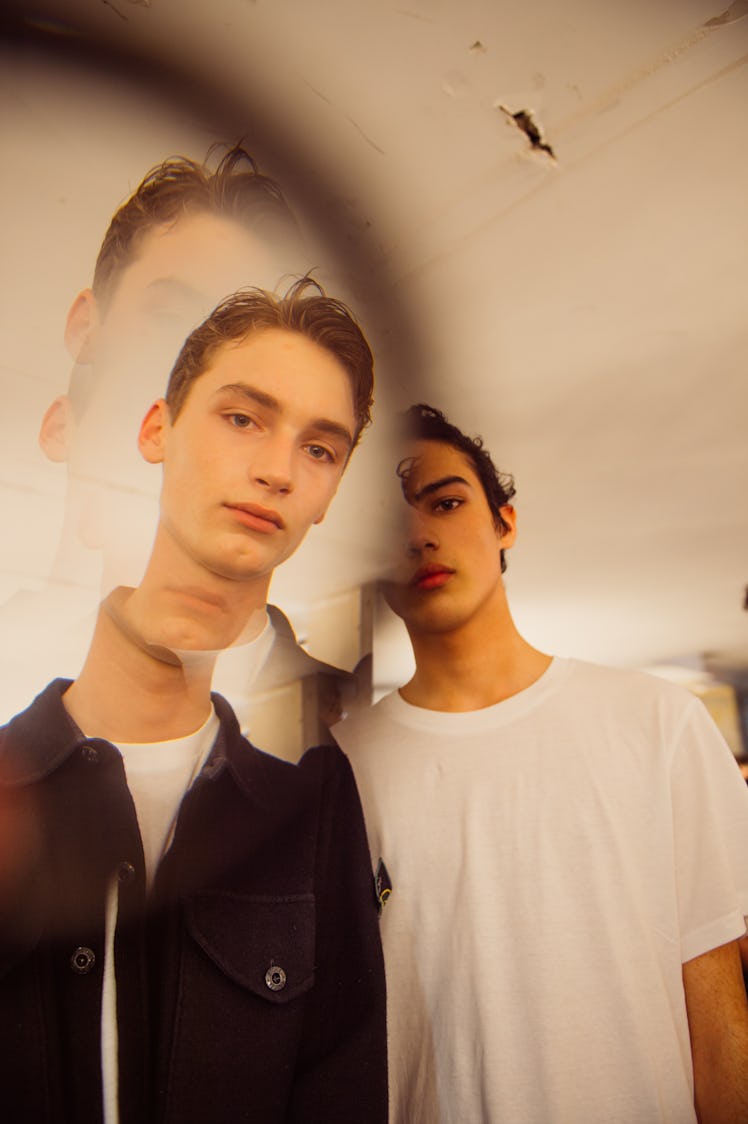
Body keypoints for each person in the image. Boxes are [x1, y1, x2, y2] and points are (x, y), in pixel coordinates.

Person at [0, 281, 387, 1123]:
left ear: (328, 497)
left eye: (320, 449)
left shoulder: (313, 806)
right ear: (156, 431)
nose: (276, 470)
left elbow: (340, 1089)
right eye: (244, 417)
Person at [334, 402, 748, 1124]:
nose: (419, 534)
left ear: (505, 524)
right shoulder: (337, 770)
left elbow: (720, 1028)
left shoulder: (658, 723)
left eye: (447, 502)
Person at [0, 144, 348, 757]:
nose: (211, 357)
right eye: (173, 318)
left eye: (248, 325)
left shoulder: (352, 735)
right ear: (86, 329)